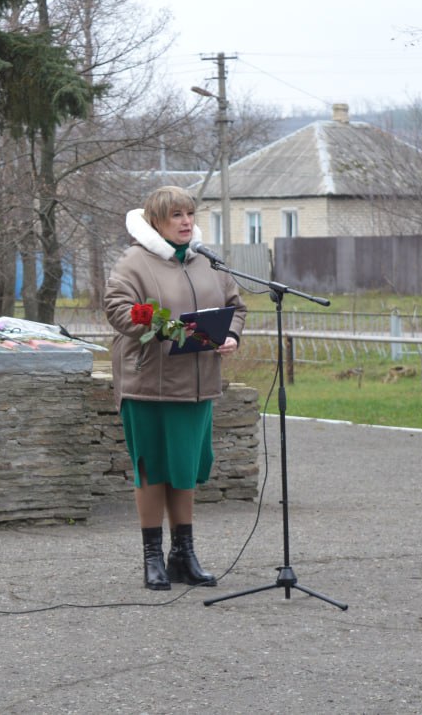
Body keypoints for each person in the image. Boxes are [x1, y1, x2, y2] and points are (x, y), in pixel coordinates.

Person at [103, 186, 247, 590]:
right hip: (147, 383)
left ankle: (184, 554)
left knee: (184, 470)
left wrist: (231, 335)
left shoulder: (208, 261)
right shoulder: (134, 262)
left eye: (189, 214)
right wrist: (163, 327)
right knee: (152, 471)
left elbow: (236, 306)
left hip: (196, 384)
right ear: (155, 222)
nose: (186, 222)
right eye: (175, 216)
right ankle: (152, 558)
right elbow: (117, 310)